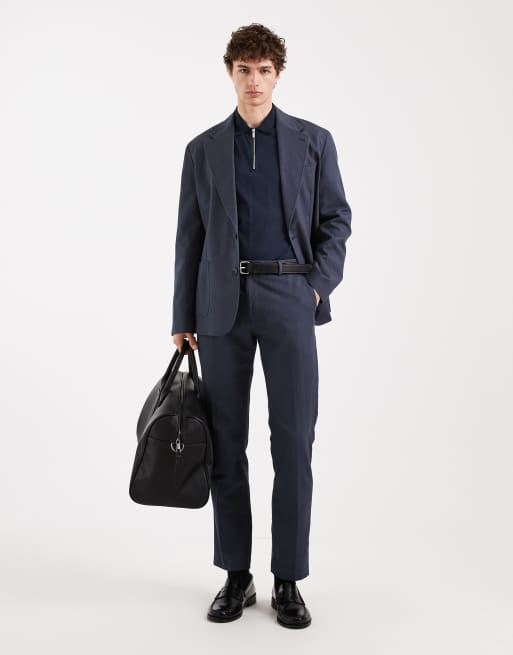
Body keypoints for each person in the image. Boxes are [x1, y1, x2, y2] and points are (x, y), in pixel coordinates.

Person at [171, 23, 352, 629]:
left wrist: (315, 286)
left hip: (289, 296)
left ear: (278, 75)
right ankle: (236, 575)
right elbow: (189, 238)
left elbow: (337, 220)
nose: (254, 81)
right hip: (220, 306)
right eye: (244, 69)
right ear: (230, 73)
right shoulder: (202, 150)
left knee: (293, 442)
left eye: (264, 70)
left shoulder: (313, 142)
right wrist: (182, 317)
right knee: (225, 442)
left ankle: (288, 578)